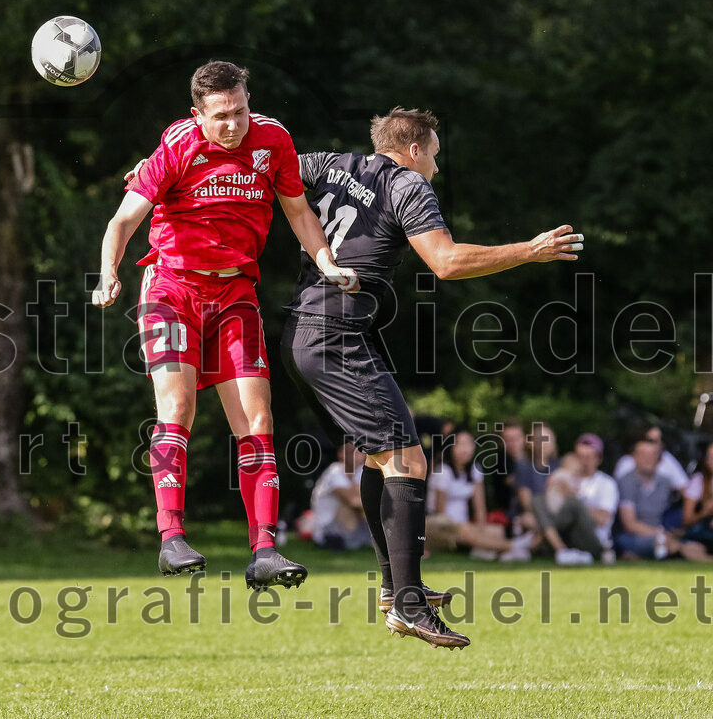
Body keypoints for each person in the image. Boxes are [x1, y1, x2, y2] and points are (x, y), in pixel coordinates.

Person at [279, 107, 584, 649]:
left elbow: (246, 171)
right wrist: (529, 251)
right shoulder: (407, 186)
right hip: (334, 336)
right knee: (409, 460)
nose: (436, 169)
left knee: (386, 457)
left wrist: (161, 172)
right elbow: (446, 261)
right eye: (436, 156)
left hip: (306, 334)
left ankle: (396, 589)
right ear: (415, 150)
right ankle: (408, 601)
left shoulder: (326, 163)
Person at [93, 61, 358, 590]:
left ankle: (264, 551)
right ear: (198, 114)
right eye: (220, 116)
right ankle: (171, 539)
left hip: (235, 292)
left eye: (239, 111)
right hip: (172, 287)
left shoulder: (273, 141)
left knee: (258, 420)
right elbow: (123, 221)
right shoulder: (179, 144)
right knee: (178, 407)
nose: (232, 124)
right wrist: (107, 275)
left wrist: (327, 262)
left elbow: (299, 212)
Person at [426, 429, 534, 562]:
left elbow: (480, 507)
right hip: (441, 526)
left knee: (499, 531)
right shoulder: (443, 472)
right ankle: (513, 547)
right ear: (450, 447)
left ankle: (484, 548)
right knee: (465, 530)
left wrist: (481, 530)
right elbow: (440, 513)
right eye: (461, 444)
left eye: (469, 444)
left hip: (466, 524)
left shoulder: (474, 469)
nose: (466, 449)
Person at [615, 439, 710, 561]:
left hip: (661, 533)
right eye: (644, 454)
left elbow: (687, 494)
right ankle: (689, 553)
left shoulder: (665, 481)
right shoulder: (626, 482)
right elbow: (630, 524)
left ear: (659, 459)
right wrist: (662, 535)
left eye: (653, 455)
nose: (648, 459)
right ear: (634, 457)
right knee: (665, 544)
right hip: (632, 537)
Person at [529, 452, 602, 564]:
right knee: (537, 501)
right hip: (556, 513)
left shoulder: (578, 481)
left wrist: (568, 491)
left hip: (567, 524)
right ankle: (559, 549)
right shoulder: (565, 475)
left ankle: (545, 542)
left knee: (542, 508)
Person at [310, 443, 371, 550]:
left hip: (353, 524)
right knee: (349, 506)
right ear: (341, 454)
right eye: (351, 451)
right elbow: (354, 501)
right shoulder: (334, 472)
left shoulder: (360, 472)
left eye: (359, 451)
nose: (356, 454)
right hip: (328, 529)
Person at [574, 433, 619, 559]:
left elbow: (603, 519)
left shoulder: (607, 484)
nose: (584, 462)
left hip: (595, 538)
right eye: (580, 457)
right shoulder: (567, 479)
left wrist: (577, 507)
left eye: (588, 457)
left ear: (598, 459)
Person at [613, 424, 688, 491]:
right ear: (638, 443)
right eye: (652, 441)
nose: (659, 444)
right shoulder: (626, 463)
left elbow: (685, 488)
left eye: (660, 440)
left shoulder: (666, 458)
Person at [515, 422, 558, 531]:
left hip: (555, 513)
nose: (544, 443)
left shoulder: (560, 466)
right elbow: (528, 505)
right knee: (529, 520)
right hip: (537, 515)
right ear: (531, 443)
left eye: (548, 439)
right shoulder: (524, 467)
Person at [681, 441, 713, 553]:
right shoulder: (698, 481)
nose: (711, 462)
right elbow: (687, 520)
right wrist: (704, 513)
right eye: (709, 457)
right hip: (703, 535)